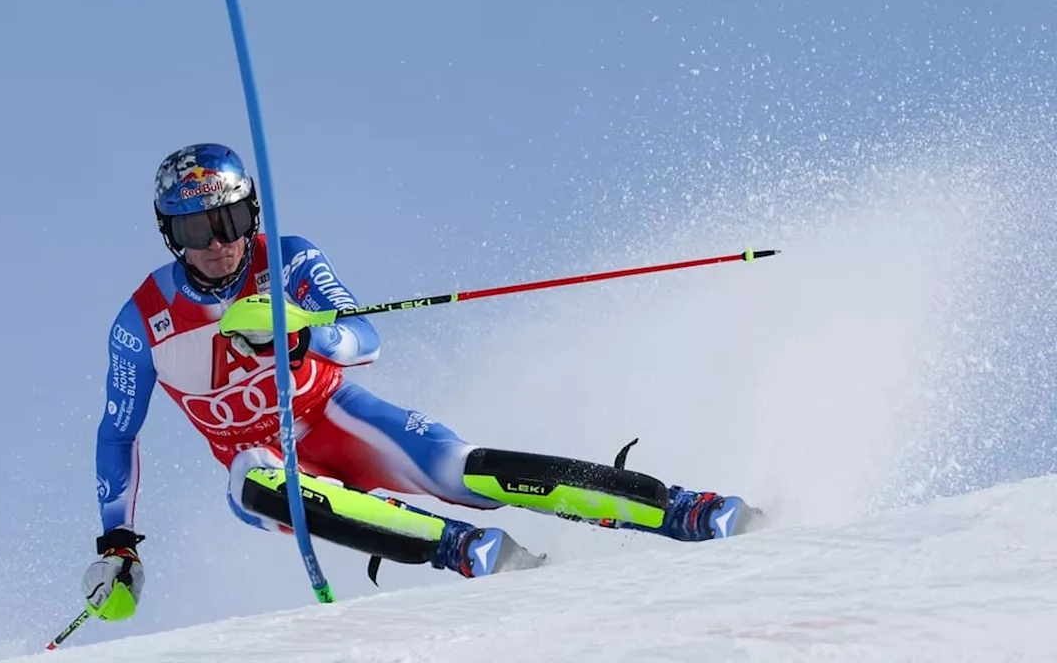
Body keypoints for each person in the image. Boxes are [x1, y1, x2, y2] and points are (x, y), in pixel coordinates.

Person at [81, 143, 760, 622]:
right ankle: (462, 549)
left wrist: (300, 332)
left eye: (228, 220)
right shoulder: (142, 322)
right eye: (195, 228)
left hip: (339, 416)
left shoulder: (287, 258)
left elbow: (364, 340)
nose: (215, 244)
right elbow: (118, 434)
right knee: (252, 484)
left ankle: (676, 508)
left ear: (250, 214)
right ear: (171, 235)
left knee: (466, 469)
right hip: (265, 457)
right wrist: (119, 541)